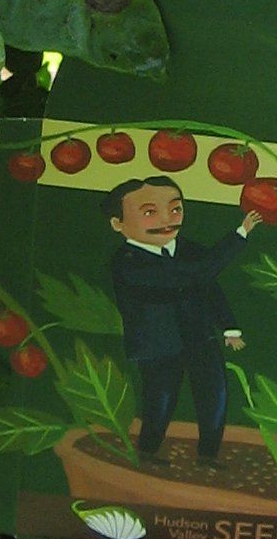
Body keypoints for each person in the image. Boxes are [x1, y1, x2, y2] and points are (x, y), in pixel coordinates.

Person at [107, 176, 264, 462]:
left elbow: (210, 288)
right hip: (157, 345)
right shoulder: (127, 261)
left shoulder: (191, 251)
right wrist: (239, 234)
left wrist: (229, 328)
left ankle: (208, 456)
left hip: (200, 336)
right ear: (118, 224)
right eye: (149, 212)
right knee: (160, 399)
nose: (167, 220)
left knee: (214, 395)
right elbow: (195, 275)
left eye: (175, 209)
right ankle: (148, 451)